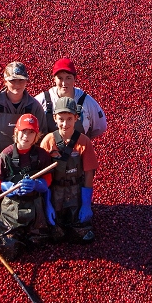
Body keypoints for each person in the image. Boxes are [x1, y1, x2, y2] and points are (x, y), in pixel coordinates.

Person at [0, 114, 54, 259]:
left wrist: (38, 185)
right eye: (23, 131)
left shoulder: (42, 155)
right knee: (8, 249)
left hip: (35, 206)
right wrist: (7, 186)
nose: (26, 136)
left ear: (36, 136)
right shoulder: (5, 156)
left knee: (38, 244)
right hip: (12, 207)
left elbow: (48, 178)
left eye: (31, 132)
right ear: (16, 132)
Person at [39, 97, 97, 243]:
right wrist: (47, 203)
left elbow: (89, 172)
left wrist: (86, 204)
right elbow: (41, 173)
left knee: (83, 233)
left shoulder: (84, 141)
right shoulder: (48, 141)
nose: (65, 124)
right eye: (61, 119)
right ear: (55, 119)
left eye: (69, 119)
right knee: (53, 234)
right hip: (54, 191)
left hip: (75, 190)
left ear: (76, 118)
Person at [0, 61, 44, 175]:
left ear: (26, 81)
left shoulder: (35, 107)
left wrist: (27, 162)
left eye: (21, 80)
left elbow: (41, 136)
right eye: (12, 80)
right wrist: (2, 162)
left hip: (27, 164)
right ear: (5, 82)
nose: (17, 85)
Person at [38, 57, 107, 138]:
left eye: (68, 78)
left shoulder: (86, 101)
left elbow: (100, 127)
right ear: (54, 79)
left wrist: (84, 143)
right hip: (48, 149)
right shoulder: (43, 100)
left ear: (75, 78)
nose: (64, 83)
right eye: (60, 78)